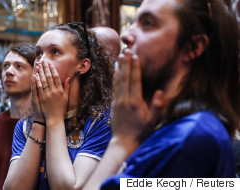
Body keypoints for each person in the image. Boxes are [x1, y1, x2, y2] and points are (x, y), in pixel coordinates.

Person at [82, 0, 240, 189]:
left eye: (148, 23)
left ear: (193, 46)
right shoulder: (173, 126)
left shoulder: (189, 138)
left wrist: (121, 142)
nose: (126, 35)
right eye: (134, 22)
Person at [3, 22, 113, 190]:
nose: (41, 62)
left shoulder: (102, 120)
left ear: (82, 65)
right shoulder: (25, 125)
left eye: (55, 52)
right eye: (38, 54)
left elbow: (68, 187)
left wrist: (54, 119)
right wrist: (39, 122)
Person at [0, 42, 35, 190]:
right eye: (5, 66)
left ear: (36, 74)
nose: (8, 72)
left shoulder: (45, 125)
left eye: (19, 66)